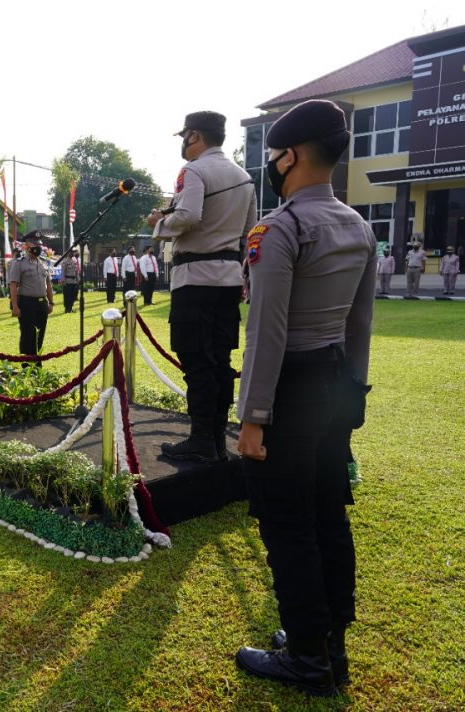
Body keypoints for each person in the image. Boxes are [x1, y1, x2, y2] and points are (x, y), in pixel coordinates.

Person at [233, 99, 375, 697]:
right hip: (336, 385)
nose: (271, 163)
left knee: (287, 524)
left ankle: (308, 658)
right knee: (326, 515)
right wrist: (355, 395)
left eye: (272, 154)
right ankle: (329, 640)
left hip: (290, 390)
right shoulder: (359, 225)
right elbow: (359, 326)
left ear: (289, 157)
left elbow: (267, 331)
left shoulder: (281, 228)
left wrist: (253, 418)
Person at [147, 110, 257, 462]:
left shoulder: (193, 170)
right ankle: (214, 437)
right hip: (227, 277)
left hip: (194, 277)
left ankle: (200, 439)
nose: (183, 144)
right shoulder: (244, 177)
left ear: (194, 136)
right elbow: (249, 231)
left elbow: (189, 216)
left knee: (196, 359)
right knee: (220, 360)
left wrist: (159, 222)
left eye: (185, 137)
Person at [9, 230, 54, 356]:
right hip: (26, 303)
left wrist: (51, 302)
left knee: (40, 334)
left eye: (39, 245)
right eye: (35, 244)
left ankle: (37, 363)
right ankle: (27, 365)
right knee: (27, 335)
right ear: (26, 246)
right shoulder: (19, 263)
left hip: (42, 303)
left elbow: (49, 284)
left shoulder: (43, 263)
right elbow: (13, 285)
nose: (38, 247)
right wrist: (15, 306)